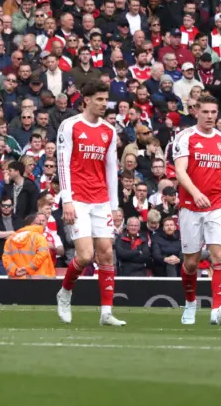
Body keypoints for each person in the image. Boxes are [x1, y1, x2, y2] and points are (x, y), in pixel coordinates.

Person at [55, 81, 124, 327]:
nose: (104, 104)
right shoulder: (70, 125)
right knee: (85, 256)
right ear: (87, 100)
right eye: (99, 99)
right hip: (78, 199)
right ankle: (65, 292)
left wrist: (114, 206)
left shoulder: (109, 130)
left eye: (106, 99)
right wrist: (67, 200)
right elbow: (62, 164)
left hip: (101, 200)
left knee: (106, 253)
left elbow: (111, 169)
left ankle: (106, 312)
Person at [172, 94, 221, 325]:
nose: (209, 116)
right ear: (196, 112)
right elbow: (180, 171)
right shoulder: (185, 137)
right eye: (205, 112)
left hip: (217, 205)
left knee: (220, 257)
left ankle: (216, 310)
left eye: (213, 112)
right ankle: (190, 303)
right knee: (191, 263)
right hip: (190, 206)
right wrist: (196, 193)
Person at [2, 214, 55, 279]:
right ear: (33, 224)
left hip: (16, 280)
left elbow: (6, 259)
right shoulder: (39, 238)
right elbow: (42, 255)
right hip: (38, 281)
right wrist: (28, 269)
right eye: (39, 223)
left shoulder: (10, 240)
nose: (42, 225)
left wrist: (15, 270)